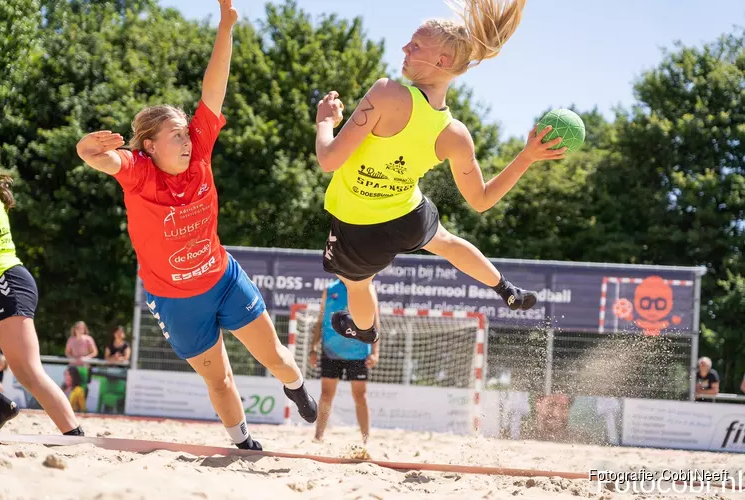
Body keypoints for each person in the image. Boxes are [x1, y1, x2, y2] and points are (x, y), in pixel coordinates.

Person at [75, 0, 317, 450]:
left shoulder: (199, 151)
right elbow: (98, 158)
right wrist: (84, 148)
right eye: (177, 135)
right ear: (149, 145)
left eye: (188, 132)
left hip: (223, 279)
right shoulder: (138, 171)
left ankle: (297, 385)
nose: (188, 139)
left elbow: (214, 89)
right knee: (221, 381)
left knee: (277, 359)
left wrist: (226, 27)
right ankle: (243, 443)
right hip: (174, 300)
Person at [314, 0, 566, 343]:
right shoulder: (455, 134)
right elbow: (481, 200)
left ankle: (365, 330)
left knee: (357, 285)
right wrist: (526, 156)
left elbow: (329, 159)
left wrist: (325, 122)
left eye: (415, 44)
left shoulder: (387, 92)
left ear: (441, 61)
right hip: (407, 215)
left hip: (359, 225)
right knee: (445, 242)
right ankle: (505, 289)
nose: (404, 47)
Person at [0, 163, 84, 435]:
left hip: (5, 281)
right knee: (27, 372)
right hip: (5, 282)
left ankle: (74, 436)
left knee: (29, 372)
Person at [309, 280, 379, 443]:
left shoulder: (367, 287)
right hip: (330, 350)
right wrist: (313, 347)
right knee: (326, 395)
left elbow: (375, 322)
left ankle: (365, 440)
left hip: (359, 352)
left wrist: (375, 352)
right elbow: (320, 320)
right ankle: (318, 437)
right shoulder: (330, 289)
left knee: (360, 397)